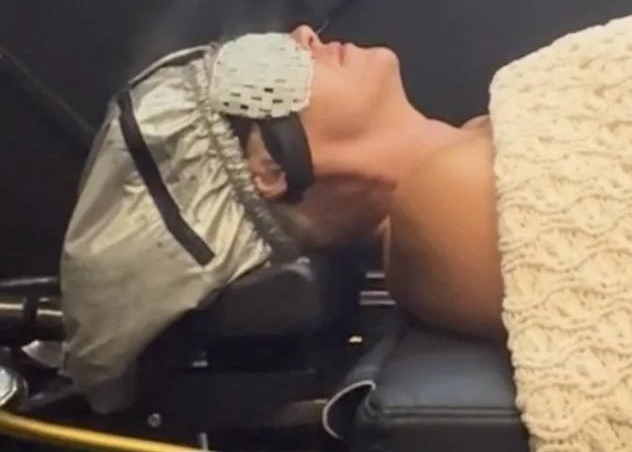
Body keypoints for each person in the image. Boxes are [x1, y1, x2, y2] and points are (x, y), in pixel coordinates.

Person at [60, 26, 505, 411]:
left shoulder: (469, 147)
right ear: (270, 166)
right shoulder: (446, 206)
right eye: (263, 68)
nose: (304, 35)